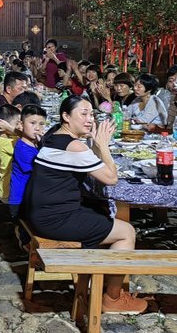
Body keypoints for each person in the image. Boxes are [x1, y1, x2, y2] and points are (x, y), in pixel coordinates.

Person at [23, 95, 147, 314]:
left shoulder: (54, 135)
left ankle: (98, 278)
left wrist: (96, 146)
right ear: (66, 116)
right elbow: (111, 178)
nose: (90, 119)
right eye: (83, 114)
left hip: (39, 212)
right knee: (126, 231)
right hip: (54, 218)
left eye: (91, 114)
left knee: (100, 213)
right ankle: (112, 298)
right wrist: (103, 145)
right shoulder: (74, 147)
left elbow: (93, 165)